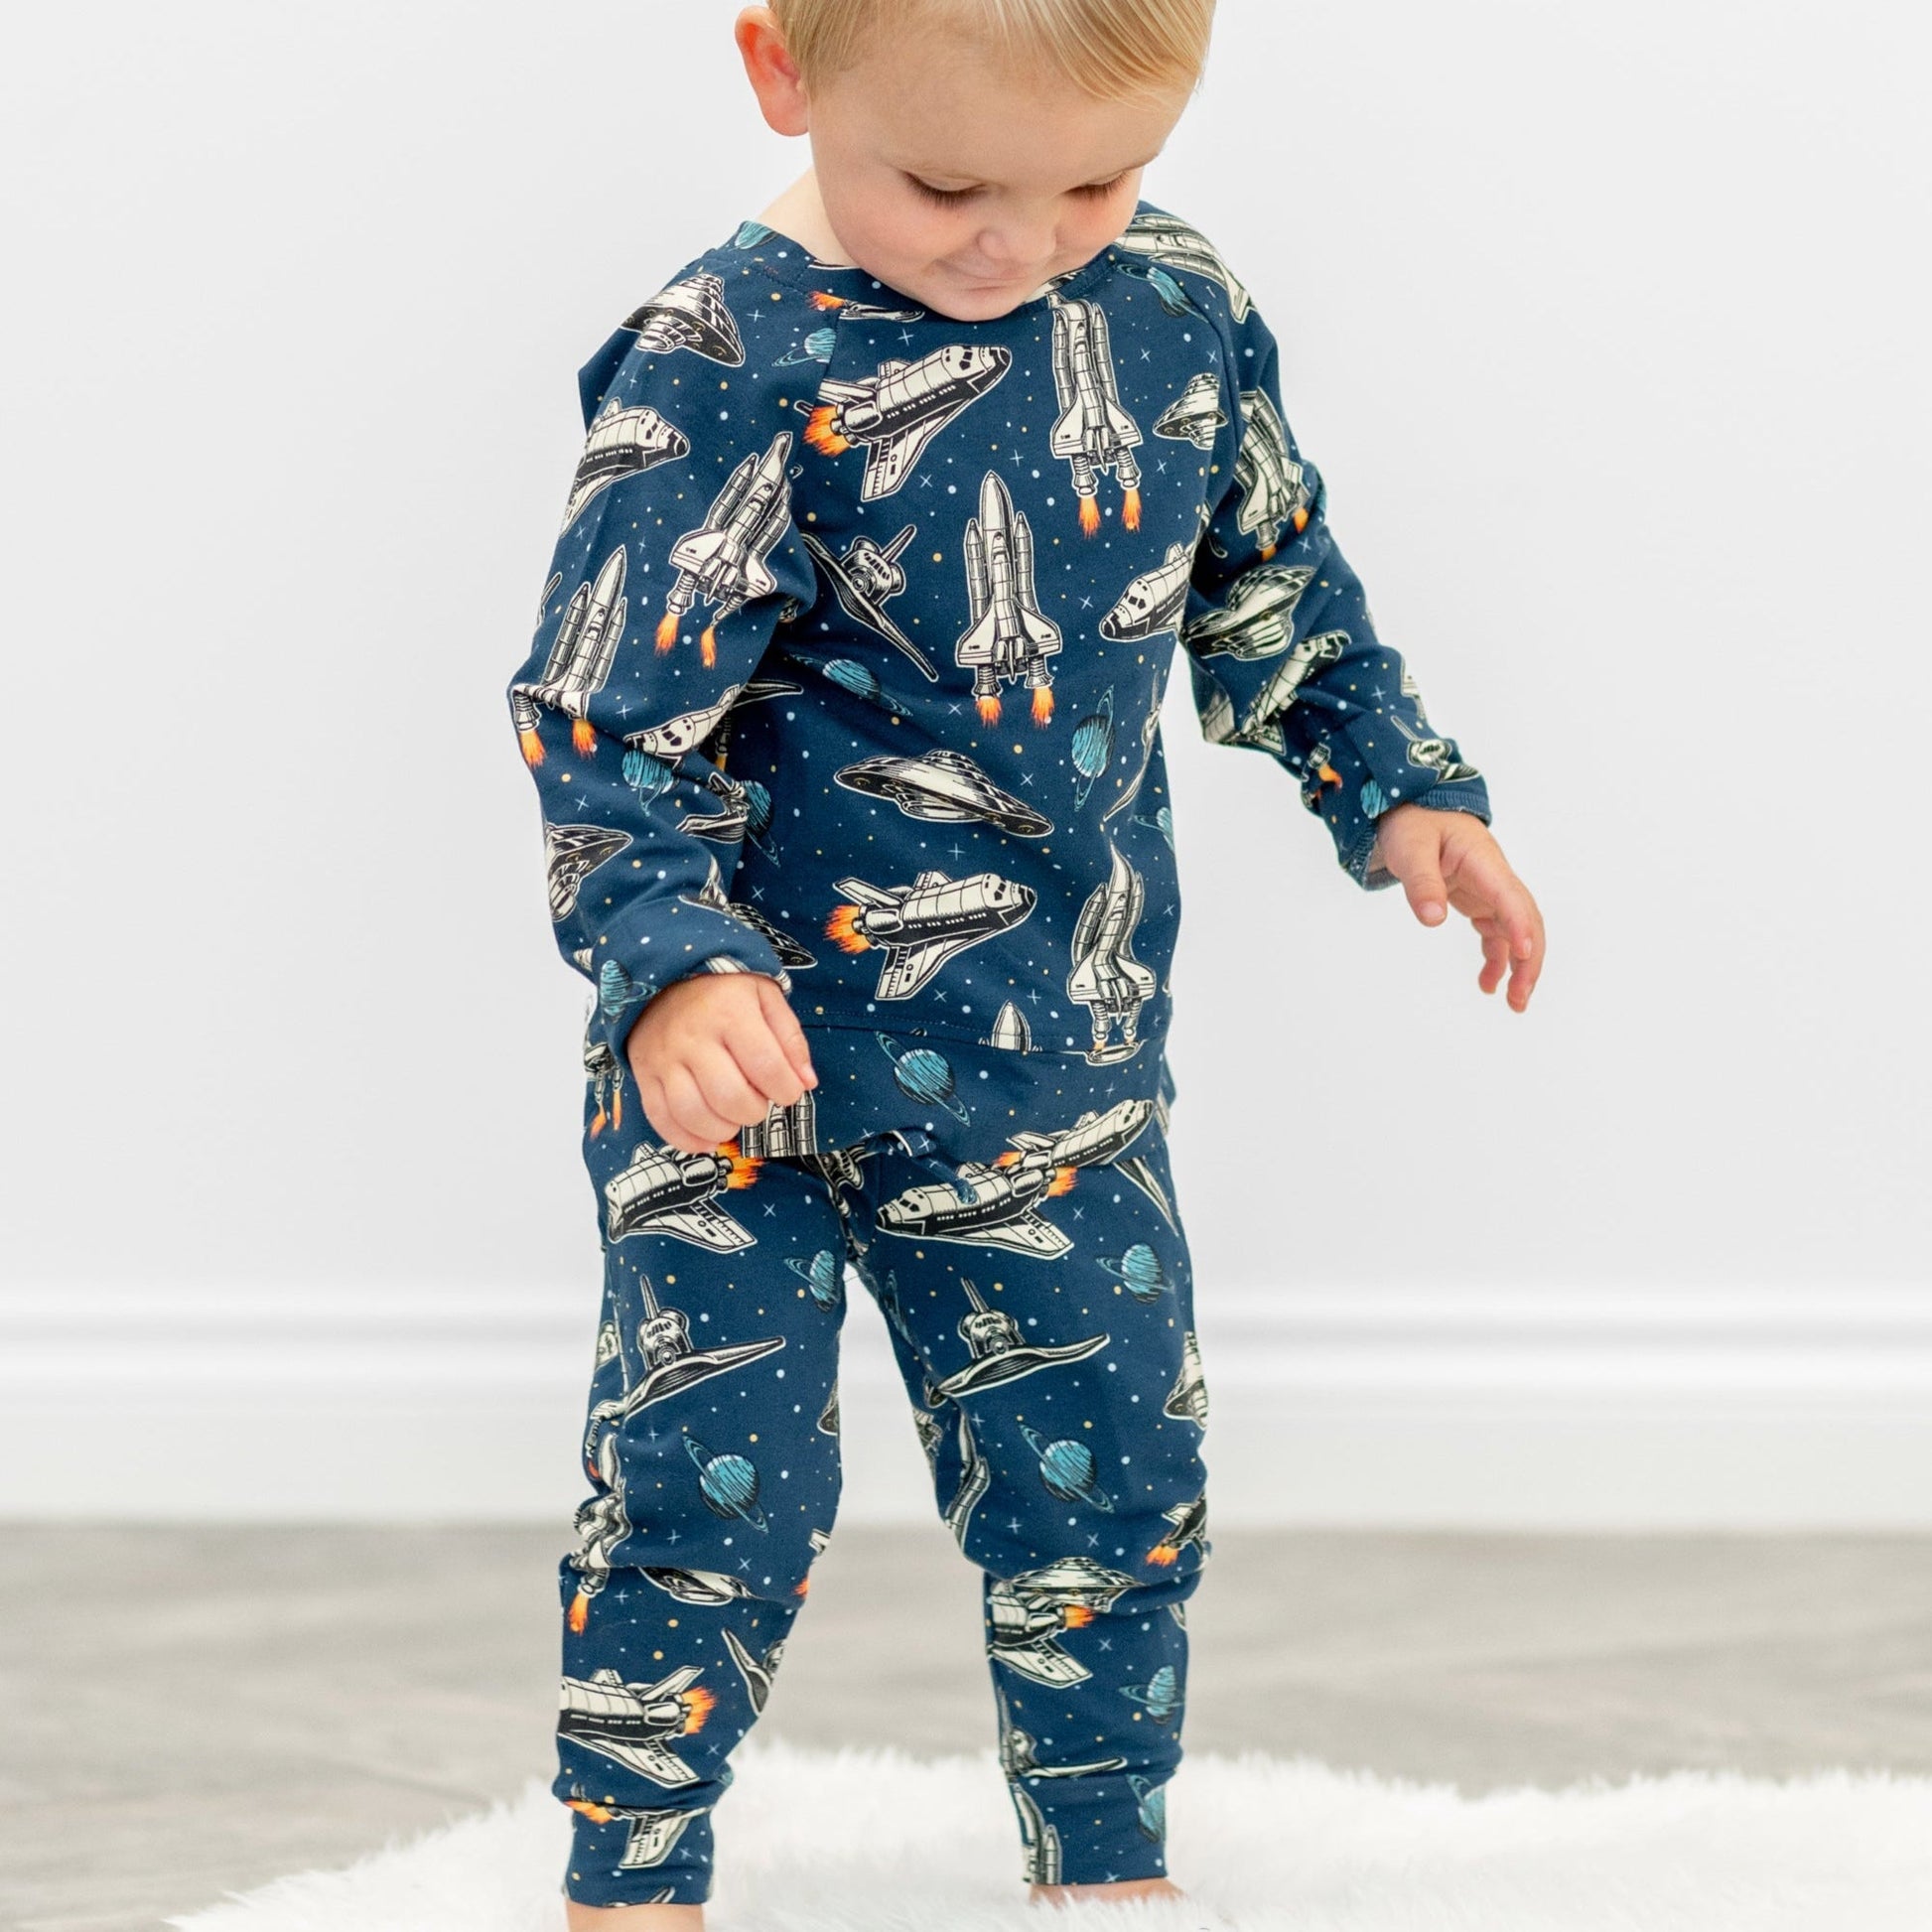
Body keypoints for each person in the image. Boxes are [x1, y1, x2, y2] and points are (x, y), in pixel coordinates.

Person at [503, 1, 1546, 1923]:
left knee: (1112, 1462)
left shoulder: (1169, 312)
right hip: (740, 1073)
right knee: (707, 1486)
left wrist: (1398, 785)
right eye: (945, 186)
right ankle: (630, 1875)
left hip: (1054, 1055)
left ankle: (1103, 1858)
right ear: (783, 74)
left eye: (1095, 181)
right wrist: (669, 958)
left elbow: (1270, 581)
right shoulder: (723, 360)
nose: (1018, 245)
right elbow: (603, 710)